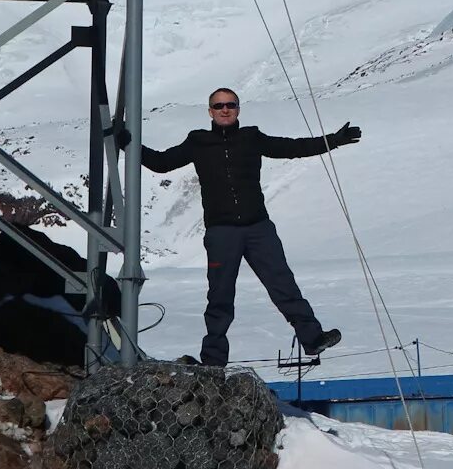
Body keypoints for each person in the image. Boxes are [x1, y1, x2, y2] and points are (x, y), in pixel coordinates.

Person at [118, 88, 361, 367]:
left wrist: (334, 141)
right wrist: (130, 145)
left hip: (259, 228)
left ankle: (313, 338)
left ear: (238, 110)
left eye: (230, 105)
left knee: (283, 285)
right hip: (222, 233)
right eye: (218, 105)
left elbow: (293, 148)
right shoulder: (198, 142)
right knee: (220, 297)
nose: (225, 109)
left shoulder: (251, 138)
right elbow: (162, 163)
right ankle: (213, 360)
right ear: (210, 111)